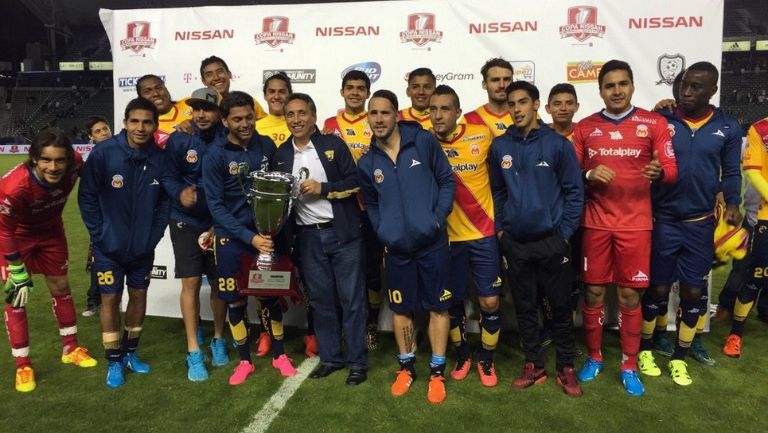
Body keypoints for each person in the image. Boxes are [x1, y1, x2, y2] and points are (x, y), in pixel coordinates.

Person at [572, 60, 678, 397]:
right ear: (600, 90)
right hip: (595, 224)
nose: (616, 91)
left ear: (632, 86)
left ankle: (629, 364)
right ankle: (594, 356)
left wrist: (659, 172)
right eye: (609, 85)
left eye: (622, 84)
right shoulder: (585, 128)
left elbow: (672, 169)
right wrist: (588, 174)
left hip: (635, 225)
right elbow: (569, 175)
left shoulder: (654, 122)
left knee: (631, 295)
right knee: (594, 293)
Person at [639, 62, 742, 386]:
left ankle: (681, 355)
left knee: (694, 291)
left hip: (700, 222)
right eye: (684, 84)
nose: (686, 91)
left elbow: (732, 171)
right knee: (656, 287)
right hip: (663, 219)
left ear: (712, 90)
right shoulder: (662, 120)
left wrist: (734, 202)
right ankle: (648, 346)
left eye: (696, 87)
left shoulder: (727, 125)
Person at [358, 90, 455, 404]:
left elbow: (446, 181)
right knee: (401, 309)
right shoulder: (367, 161)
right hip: (397, 248)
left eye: (385, 113)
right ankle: (407, 367)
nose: (379, 119)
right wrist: (383, 229)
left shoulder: (423, 142)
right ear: (368, 117)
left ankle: (437, 372)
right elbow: (371, 202)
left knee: (439, 307)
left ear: (396, 114)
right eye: (373, 114)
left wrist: (437, 219)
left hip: (432, 243)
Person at [489, 81, 584, 397]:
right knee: (526, 307)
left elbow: (574, 192)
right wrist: (502, 231)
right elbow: (498, 192)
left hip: (552, 242)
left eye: (522, 102)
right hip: (515, 243)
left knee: (560, 307)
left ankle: (566, 366)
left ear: (535, 105)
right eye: (511, 103)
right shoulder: (500, 146)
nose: (516, 109)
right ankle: (534, 364)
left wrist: (564, 235)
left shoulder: (557, 144)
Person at [271, 93, 367, 384]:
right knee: (322, 301)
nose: (296, 119)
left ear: (313, 116)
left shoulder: (332, 144)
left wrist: (323, 188)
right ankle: (331, 358)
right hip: (308, 239)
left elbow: (355, 182)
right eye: (290, 114)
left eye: (302, 113)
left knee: (352, 301)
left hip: (343, 234)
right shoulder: (281, 154)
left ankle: (357, 363)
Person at [202, 91, 295, 386]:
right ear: (225, 121)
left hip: (268, 235)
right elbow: (216, 206)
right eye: (237, 119)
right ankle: (245, 360)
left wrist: (267, 233)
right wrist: (248, 236)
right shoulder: (215, 156)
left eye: (249, 117)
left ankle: (280, 354)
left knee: (270, 297)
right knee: (235, 303)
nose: (245, 124)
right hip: (232, 239)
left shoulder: (266, 145)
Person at [78, 98, 170, 389]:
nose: (140, 128)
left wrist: (153, 236)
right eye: (135, 121)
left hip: (143, 247)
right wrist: (100, 235)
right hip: (109, 248)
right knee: (110, 299)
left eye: (147, 122)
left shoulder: (160, 158)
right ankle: (113, 360)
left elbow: (165, 202)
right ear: (125, 122)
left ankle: (130, 353)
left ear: (155, 125)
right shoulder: (104, 153)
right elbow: (87, 198)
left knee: (139, 296)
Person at [1, 128, 97, 393]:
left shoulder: (76, 164)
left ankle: (70, 348)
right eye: (46, 160)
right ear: (34, 159)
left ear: (69, 159)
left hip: (52, 232)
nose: (53, 167)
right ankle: (23, 365)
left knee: (61, 287)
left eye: (59, 160)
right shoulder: (14, 188)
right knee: (17, 295)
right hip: (17, 237)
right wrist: (15, 266)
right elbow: (4, 230)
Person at [428, 85, 502, 387]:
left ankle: (486, 359)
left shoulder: (482, 134)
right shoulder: (424, 143)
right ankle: (462, 354)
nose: (438, 115)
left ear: (459, 113)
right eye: (433, 109)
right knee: (451, 302)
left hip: (483, 234)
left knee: (490, 302)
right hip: (446, 238)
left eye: (445, 109)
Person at [163, 88, 230, 382]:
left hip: (218, 221)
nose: (201, 114)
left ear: (218, 113)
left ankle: (217, 338)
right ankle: (193, 350)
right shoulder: (179, 138)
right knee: (190, 282)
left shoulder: (227, 140)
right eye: (196, 109)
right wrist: (180, 192)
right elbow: (167, 176)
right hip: (185, 220)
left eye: (208, 109)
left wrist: (222, 220)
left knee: (219, 283)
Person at [323, 70, 382, 350]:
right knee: (342, 272)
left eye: (361, 88)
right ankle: (345, 326)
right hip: (340, 208)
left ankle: (370, 325)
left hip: (371, 207)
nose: (355, 92)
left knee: (371, 271)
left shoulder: (376, 119)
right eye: (350, 87)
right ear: (342, 91)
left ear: (368, 93)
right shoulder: (329, 124)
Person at [723, 113, 768, 358]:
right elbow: (752, 171)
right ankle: (735, 332)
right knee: (751, 274)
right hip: (761, 216)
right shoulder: (761, 129)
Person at [82, 115, 113, 318]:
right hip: (102, 217)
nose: (104, 133)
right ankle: (94, 300)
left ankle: (113, 298)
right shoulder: (93, 159)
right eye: (98, 131)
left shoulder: (121, 150)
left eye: (105, 128)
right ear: (91, 137)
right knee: (99, 260)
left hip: (121, 214)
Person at [199, 56, 267, 120]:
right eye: (209, 75)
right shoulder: (195, 104)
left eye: (220, 72)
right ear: (203, 81)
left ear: (229, 74)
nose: (216, 78)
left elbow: (265, 125)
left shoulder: (247, 101)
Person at [135, 74, 191, 148]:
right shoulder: (146, 128)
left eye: (159, 88)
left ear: (166, 90)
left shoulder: (189, 103)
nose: (155, 94)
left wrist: (193, 123)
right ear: (140, 99)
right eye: (147, 92)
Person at [463, 58, 514, 137]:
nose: (502, 85)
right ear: (484, 84)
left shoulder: (526, 116)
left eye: (507, 79)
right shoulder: (469, 119)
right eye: (495, 80)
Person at [256, 72, 292, 147]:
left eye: (282, 92)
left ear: (289, 95)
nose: (276, 97)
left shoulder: (299, 125)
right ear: (265, 95)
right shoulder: (254, 127)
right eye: (272, 91)